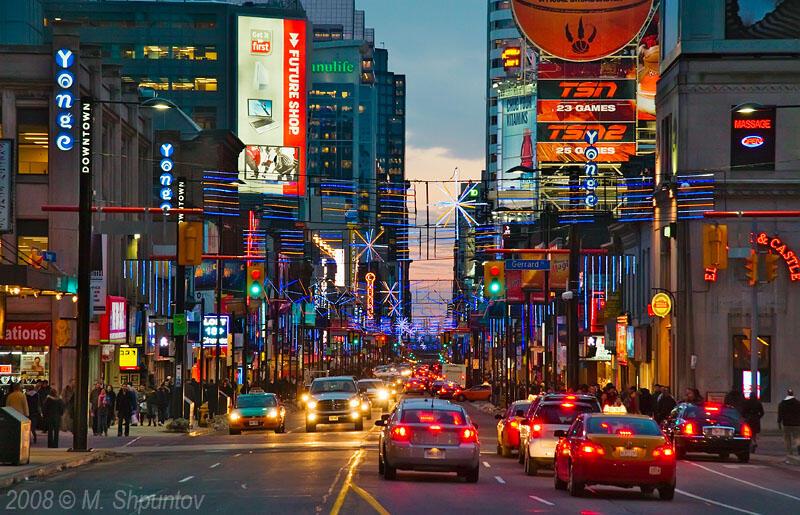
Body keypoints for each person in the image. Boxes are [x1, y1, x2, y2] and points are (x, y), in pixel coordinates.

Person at [777, 388, 800, 461]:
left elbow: (780, 414)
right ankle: (799, 447)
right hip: (797, 423)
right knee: (797, 438)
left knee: (787, 439)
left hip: (786, 423)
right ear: (793, 394)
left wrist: (779, 423)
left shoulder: (782, 404)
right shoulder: (798, 403)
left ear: (787, 394)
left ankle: (789, 453)